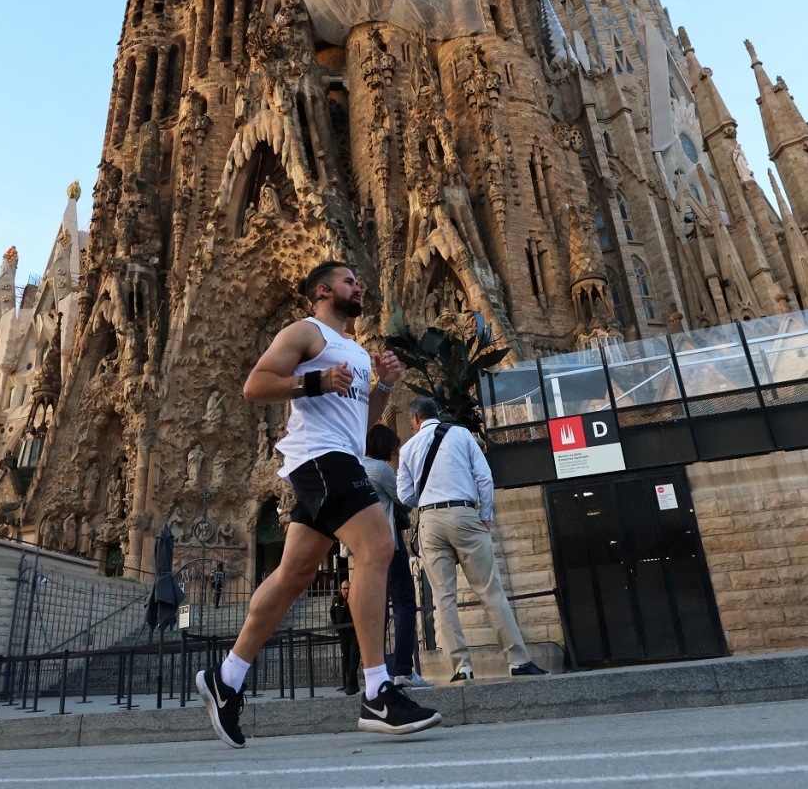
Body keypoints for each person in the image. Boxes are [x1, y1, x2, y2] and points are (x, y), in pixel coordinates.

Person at [195, 262, 441, 748]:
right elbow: (255, 386)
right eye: (350, 281)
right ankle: (377, 691)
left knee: (293, 575)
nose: (359, 286)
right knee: (377, 548)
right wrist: (314, 382)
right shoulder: (304, 332)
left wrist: (385, 386)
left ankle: (226, 679)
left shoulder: (356, 354)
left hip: (340, 454)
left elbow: (361, 421)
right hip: (318, 458)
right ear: (324, 290)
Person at [397, 396, 548, 683]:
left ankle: (461, 668)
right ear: (437, 414)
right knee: (490, 591)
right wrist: (485, 513)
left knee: (443, 599)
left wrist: (428, 498)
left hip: (430, 521)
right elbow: (485, 477)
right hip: (465, 514)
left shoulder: (408, 449)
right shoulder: (461, 434)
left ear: (414, 419)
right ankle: (517, 660)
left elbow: (405, 496)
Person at [363, 423, 431, 688]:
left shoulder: (357, 468)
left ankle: (377, 672)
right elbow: (404, 499)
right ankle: (403, 668)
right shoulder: (380, 469)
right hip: (390, 546)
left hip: (366, 549)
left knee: (377, 611)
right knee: (404, 606)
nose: (395, 451)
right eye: (393, 446)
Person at [330, 579, 360, 694]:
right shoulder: (337, 601)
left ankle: (351, 685)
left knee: (354, 657)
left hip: (354, 633)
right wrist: (337, 625)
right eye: (345, 588)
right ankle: (352, 685)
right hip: (343, 634)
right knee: (346, 658)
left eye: (349, 588)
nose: (347, 591)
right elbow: (332, 612)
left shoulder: (355, 600)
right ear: (340, 590)